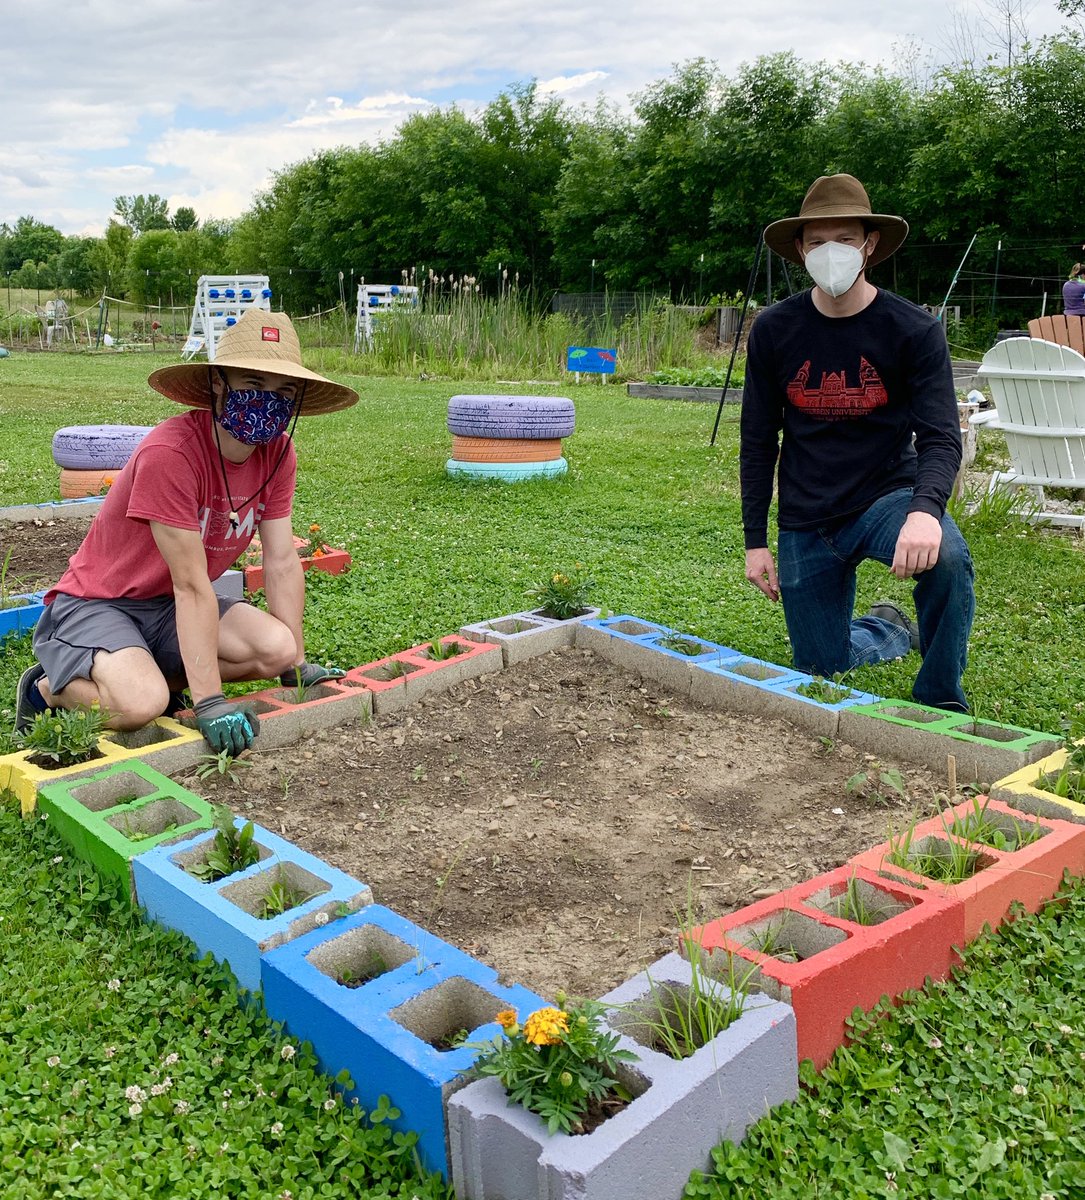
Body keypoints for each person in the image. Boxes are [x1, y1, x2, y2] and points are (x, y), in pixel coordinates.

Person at [15, 308, 358, 753]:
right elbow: (192, 584)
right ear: (219, 382)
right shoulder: (171, 454)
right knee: (143, 703)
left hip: (164, 607)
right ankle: (46, 689)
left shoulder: (278, 454)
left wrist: (296, 664)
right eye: (254, 384)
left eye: (283, 390)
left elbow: (281, 558)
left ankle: (142, 668)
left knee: (276, 648)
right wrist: (210, 702)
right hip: (99, 602)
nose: (268, 399)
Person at [740, 173, 975, 712]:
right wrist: (756, 540)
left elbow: (941, 436)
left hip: (884, 498)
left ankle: (940, 701)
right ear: (800, 250)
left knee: (950, 559)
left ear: (869, 244)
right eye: (817, 241)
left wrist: (925, 512)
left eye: (844, 239)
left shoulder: (914, 330)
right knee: (823, 669)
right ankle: (889, 630)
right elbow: (757, 440)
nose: (831, 252)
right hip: (807, 514)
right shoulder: (775, 330)